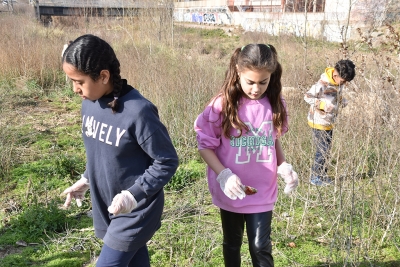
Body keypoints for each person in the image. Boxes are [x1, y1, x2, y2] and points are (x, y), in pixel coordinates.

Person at [60, 34, 179, 267]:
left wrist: (132, 195)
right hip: (108, 205)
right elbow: (102, 150)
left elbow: (166, 160)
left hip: (136, 210)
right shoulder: (89, 104)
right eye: (71, 81)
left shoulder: (139, 111)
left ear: (103, 76)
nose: (74, 89)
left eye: (79, 81)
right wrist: (86, 180)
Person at [194, 44, 298, 267]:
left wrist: (283, 165)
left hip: (263, 188)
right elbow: (205, 145)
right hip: (233, 188)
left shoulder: (275, 104)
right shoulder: (221, 105)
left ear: (272, 76)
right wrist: (223, 175)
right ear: (238, 72)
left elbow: (273, 138)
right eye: (250, 82)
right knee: (232, 243)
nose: (256, 89)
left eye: (263, 82)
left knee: (260, 246)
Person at [304, 59, 356, 186]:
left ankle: (322, 175)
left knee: (326, 150)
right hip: (319, 121)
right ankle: (315, 177)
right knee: (322, 149)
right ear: (336, 75)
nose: (345, 84)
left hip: (329, 122)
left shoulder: (338, 83)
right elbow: (307, 96)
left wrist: (341, 101)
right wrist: (321, 104)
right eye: (344, 81)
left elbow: (335, 95)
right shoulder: (322, 84)